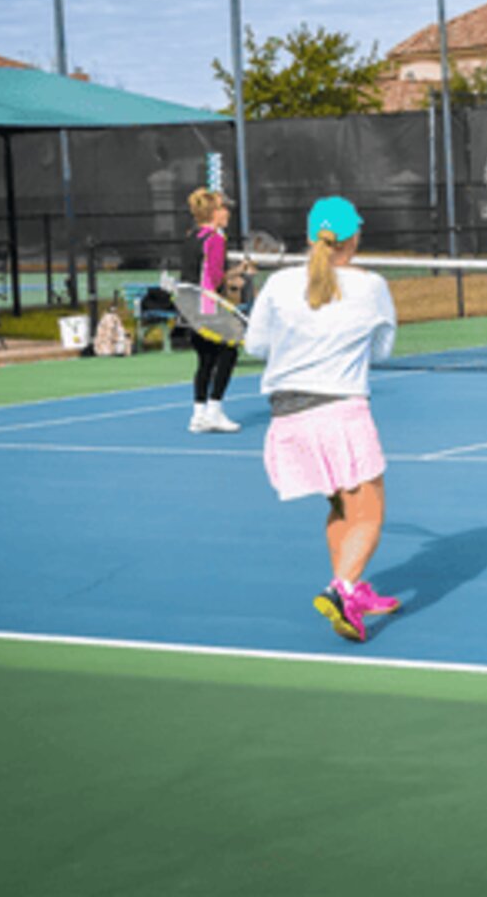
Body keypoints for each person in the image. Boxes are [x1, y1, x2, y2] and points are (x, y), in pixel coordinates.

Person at [244, 196, 401, 642]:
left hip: (287, 417)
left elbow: (256, 347)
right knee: (369, 515)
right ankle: (342, 589)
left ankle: (351, 593)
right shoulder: (372, 286)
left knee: (340, 506)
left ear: (312, 236)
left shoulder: (277, 285)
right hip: (340, 413)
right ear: (355, 238)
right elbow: (383, 351)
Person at [183, 189, 242, 433]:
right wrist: (236, 277)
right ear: (213, 213)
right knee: (230, 350)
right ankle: (214, 410)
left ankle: (198, 414)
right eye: (224, 208)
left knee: (206, 359)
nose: (228, 212)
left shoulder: (191, 236)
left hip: (188, 308)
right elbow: (216, 278)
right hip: (207, 308)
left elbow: (199, 273)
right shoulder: (216, 239)